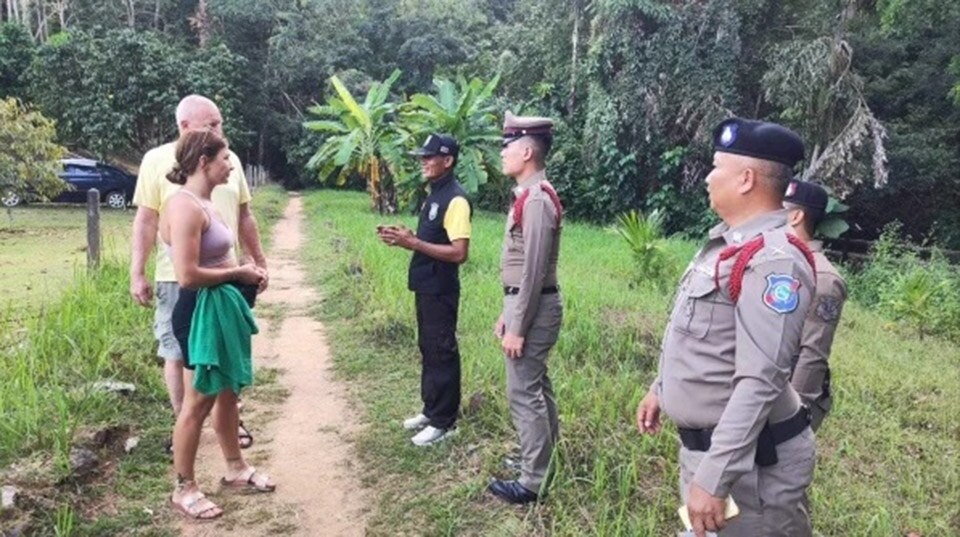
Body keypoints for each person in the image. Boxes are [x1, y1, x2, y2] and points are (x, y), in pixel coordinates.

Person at [636, 118, 818, 537]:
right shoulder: (729, 245)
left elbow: (762, 378)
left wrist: (715, 477)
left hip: (751, 468)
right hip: (715, 453)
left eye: (716, 166)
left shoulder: (773, 261)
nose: (707, 177)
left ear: (746, 179)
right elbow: (706, 338)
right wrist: (660, 387)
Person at [130, 95, 268, 451]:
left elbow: (245, 215)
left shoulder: (228, 160)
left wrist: (258, 261)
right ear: (185, 127)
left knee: (224, 353)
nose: (220, 131)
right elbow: (146, 219)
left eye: (219, 123)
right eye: (212, 125)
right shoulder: (157, 164)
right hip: (178, 276)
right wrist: (137, 272)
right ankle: (186, 424)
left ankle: (226, 423)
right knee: (178, 352)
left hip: (228, 274)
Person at [160, 129, 274, 520]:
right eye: (225, 159)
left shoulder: (203, 202)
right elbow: (188, 275)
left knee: (227, 393)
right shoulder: (185, 207)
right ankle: (183, 487)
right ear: (203, 162)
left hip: (218, 309)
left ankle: (235, 467)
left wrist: (244, 273)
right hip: (198, 313)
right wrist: (238, 272)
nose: (230, 166)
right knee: (198, 401)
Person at [487, 112, 564, 505]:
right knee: (536, 385)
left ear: (528, 151)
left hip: (535, 304)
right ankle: (544, 461)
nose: (502, 154)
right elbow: (524, 274)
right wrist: (508, 312)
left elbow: (533, 271)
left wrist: (518, 325)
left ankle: (533, 481)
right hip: (527, 301)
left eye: (508, 146)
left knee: (523, 392)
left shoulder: (536, 200)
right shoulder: (529, 196)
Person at [377, 133, 471, 446]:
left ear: (448, 161)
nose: (424, 162)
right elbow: (433, 240)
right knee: (428, 349)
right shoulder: (434, 195)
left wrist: (414, 242)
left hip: (441, 289)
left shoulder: (456, 199)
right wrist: (405, 237)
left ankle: (445, 421)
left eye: (430, 157)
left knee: (442, 350)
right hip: (426, 285)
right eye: (423, 157)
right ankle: (431, 410)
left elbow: (459, 253)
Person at [784, 180, 847, 431]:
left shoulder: (822, 278)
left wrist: (792, 420)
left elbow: (812, 353)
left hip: (785, 395)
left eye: (778, 210)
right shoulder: (773, 260)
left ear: (796, 216)